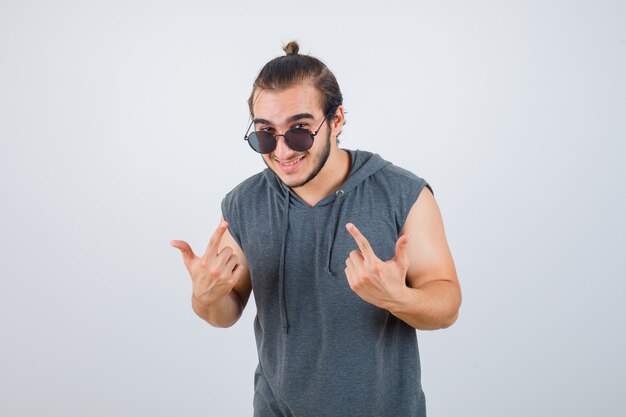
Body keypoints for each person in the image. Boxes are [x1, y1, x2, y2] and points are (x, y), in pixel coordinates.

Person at [171, 41, 461, 417]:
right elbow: (224, 314)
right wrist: (205, 296)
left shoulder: (403, 194)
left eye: (299, 131)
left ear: (337, 120)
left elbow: (447, 305)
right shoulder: (244, 204)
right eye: (264, 134)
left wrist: (396, 297)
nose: (282, 151)